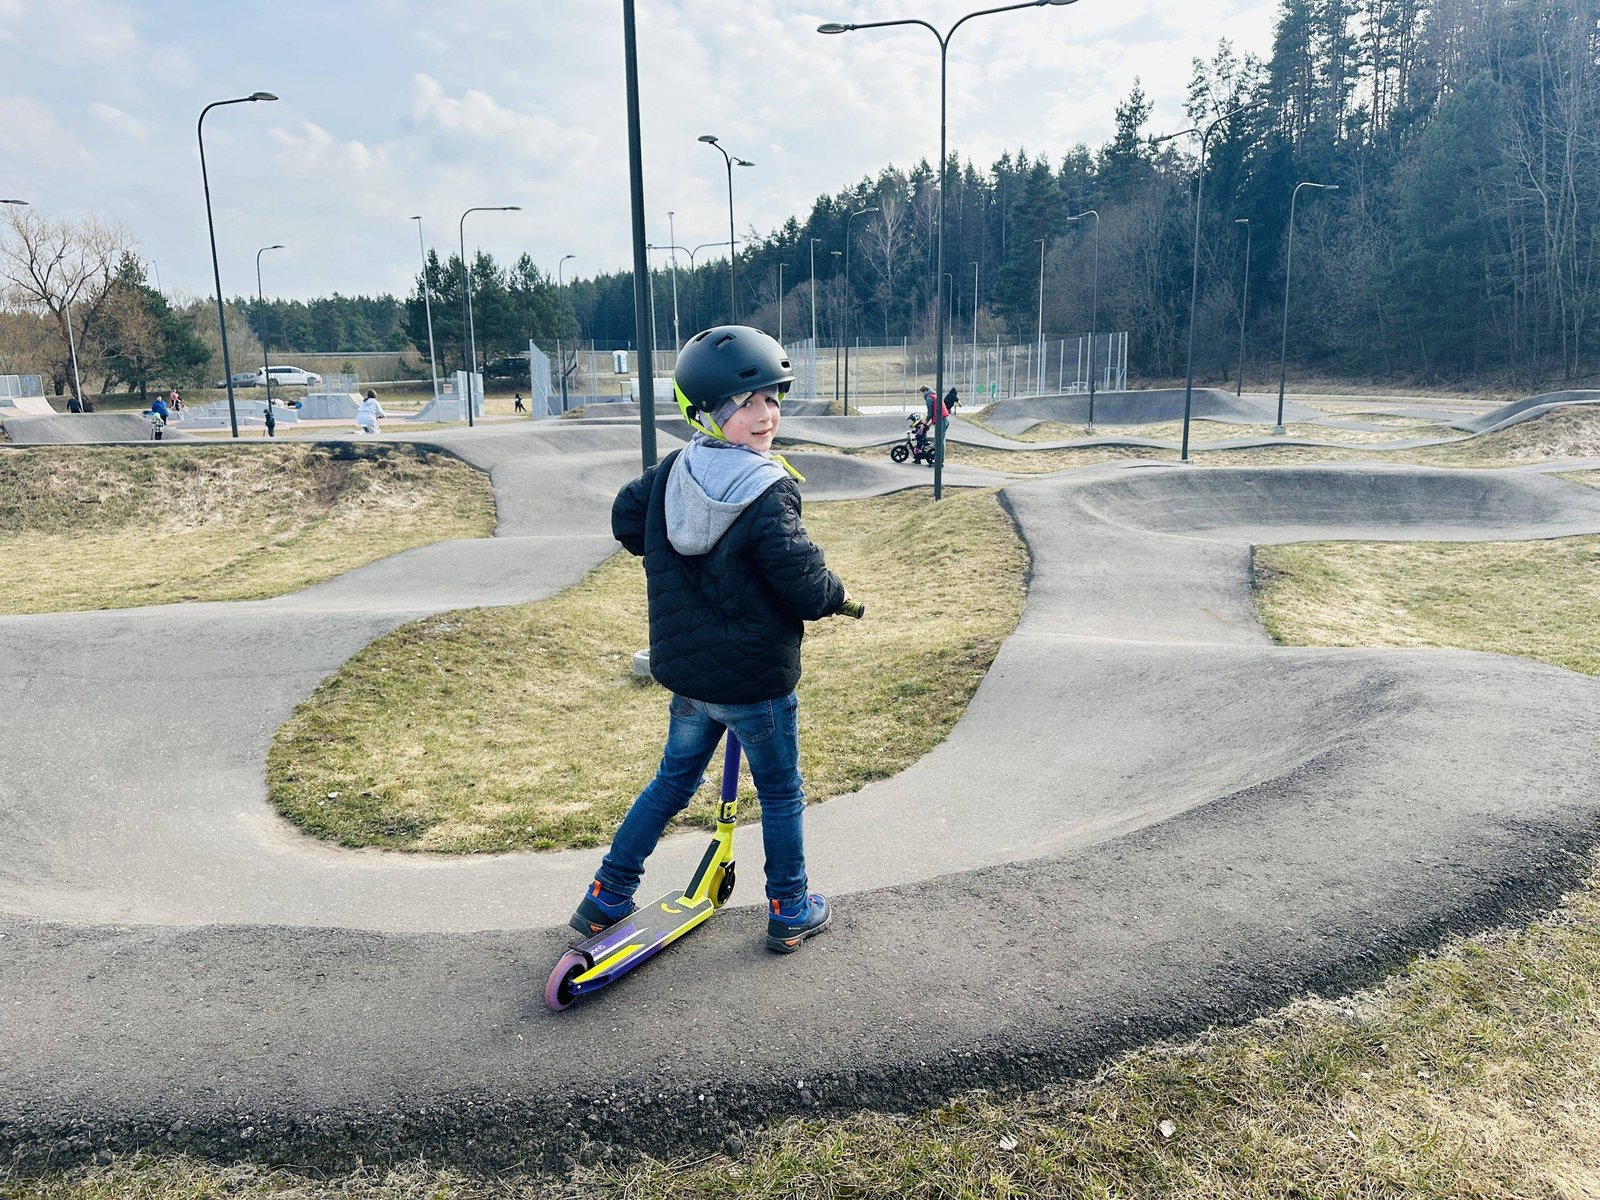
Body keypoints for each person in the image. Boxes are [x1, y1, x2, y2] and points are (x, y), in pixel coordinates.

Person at [573, 324, 851, 954]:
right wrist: (836, 597)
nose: (765, 415)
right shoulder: (767, 491)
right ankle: (789, 905)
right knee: (781, 792)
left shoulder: (671, 472)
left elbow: (626, 516)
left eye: (772, 399)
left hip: (691, 678)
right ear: (705, 413)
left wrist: (671, 558)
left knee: (672, 782)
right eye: (744, 405)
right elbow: (805, 585)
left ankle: (606, 897)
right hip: (754, 682)